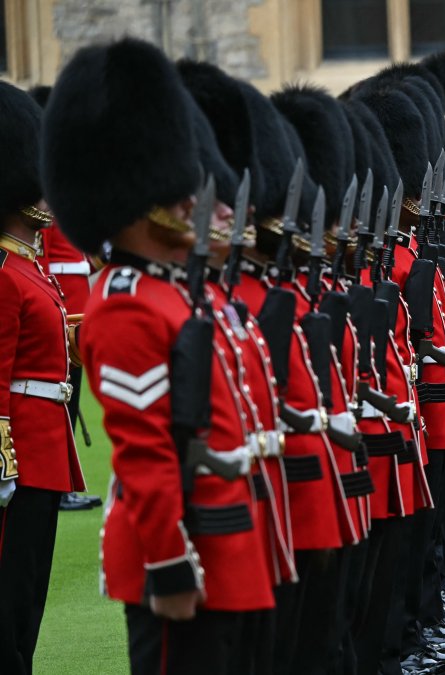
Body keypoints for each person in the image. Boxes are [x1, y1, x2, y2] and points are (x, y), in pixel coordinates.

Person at [44, 38, 276, 674]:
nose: (193, 202)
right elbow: (146, 450)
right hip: (180, 551)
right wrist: (169, 563)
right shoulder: (125, 306)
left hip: (226, 536)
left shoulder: (177, 295)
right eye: (178, 192)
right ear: (136, 194)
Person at [0, 80, 86, 675]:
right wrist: (3, 458)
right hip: (20, 455)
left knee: (30, 596)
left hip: (46, 449)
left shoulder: (29, 268)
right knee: (11, 598)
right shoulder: (6, 273)